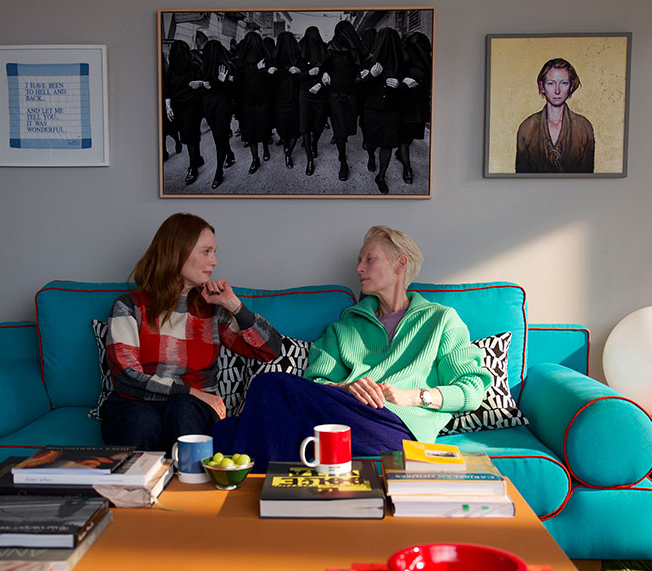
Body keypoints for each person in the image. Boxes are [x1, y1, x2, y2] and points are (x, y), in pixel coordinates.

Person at [214, 226, 493, 473]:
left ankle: (251, 506)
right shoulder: (345, 326)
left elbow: (472, 388)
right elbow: (315, 385)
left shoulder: (440, 320)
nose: (359, 268)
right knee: (224, 431)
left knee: (268, 387)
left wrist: (415, 396)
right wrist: (347, 388)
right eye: (359, 261)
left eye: (369, 259)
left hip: (399, 428)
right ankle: (275, 506)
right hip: (346, 417)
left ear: (400, 264)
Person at [101, 213, 284, 454]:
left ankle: (190, 487)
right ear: (177, 253)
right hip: (135, 404)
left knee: (184, 407)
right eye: (206, 251)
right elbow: (126, 376)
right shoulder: (129, 306)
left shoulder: (211, 311)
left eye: (214, 252)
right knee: (144, 419)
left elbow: (270, 350)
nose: (215, 262)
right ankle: (137, 489)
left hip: (191, 408)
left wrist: (235, 307)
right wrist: (188, 390)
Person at [515, 57, 594, 173]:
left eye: (564, 83)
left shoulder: (583, 127)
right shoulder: (527, 128)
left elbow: (588, 178)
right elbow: (520, 178)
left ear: (571, 86)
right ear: (542, 87)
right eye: (551, 83)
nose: (557, 91)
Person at [323, 20, 368, 182]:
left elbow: (363, 68)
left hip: (352, 95)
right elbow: (322, 66)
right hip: (335, 95)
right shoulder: (330, 48)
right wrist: (324, 73)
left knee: (348, 127)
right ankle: (343, 160)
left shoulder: (356, 51)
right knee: (341, 130)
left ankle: (340, 137)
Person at [361, 28, 404, 194]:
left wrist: (399, 85)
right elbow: (358, 83)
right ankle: (371, 156)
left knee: (387, 143)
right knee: (371, 141)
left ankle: (381, 176)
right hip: (372, 108)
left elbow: (409, 84)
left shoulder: (402, 62)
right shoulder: (369, 61)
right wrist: (371, 75)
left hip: (392, 110)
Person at [234, 31, 274, 174]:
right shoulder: (245, 62)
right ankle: (257, 157)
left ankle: (258, 156)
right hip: (254, 101)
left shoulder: (242, 61)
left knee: (256, 129)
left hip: (253, 101)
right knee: (256, 129)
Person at [164, 40, 204, 184]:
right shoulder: (178, 68)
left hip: (190, 107)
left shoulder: (181, 68)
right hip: (183, 107)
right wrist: (168, 107)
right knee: (190, 136)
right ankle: (197, 160)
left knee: (189, 137)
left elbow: (205, 83)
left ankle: (193, 168)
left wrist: (198, 84)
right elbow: (167, 89)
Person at [396, 32, 432, 185]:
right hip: (406, 105)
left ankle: (400, 154)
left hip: (420, 106)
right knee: (404, 138)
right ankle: (407, 168)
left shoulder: (428, 63)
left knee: (410, 136)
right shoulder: (402, 62)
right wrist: (403, 81)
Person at [200, 41, 237, 189]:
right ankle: (230, 154)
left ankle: (218, 172)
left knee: (219, 138)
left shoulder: (226, 67)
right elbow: (201, 89)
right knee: (218, 135)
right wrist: (202, 85)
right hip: (209, 108)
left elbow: (234, 89)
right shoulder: (203, 68)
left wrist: (224, 81)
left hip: (223, 107)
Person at [297, 26, 328, 176]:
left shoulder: (324, 50)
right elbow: (295, 78)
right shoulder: (300, 50)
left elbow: (330, 73)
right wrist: (308, 73)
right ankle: (309, 159)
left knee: (318, 125)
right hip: (304, 95)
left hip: (320, 94)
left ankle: (315, 143)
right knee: (305, 127)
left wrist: (321, 83)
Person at [273, 31, 302, 169]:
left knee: (291, 129)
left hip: (286, 100)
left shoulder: (275, 60)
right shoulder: (297, 58)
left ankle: (288, 153)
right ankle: (287, 149)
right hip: (289, 99)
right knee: (290, 129)